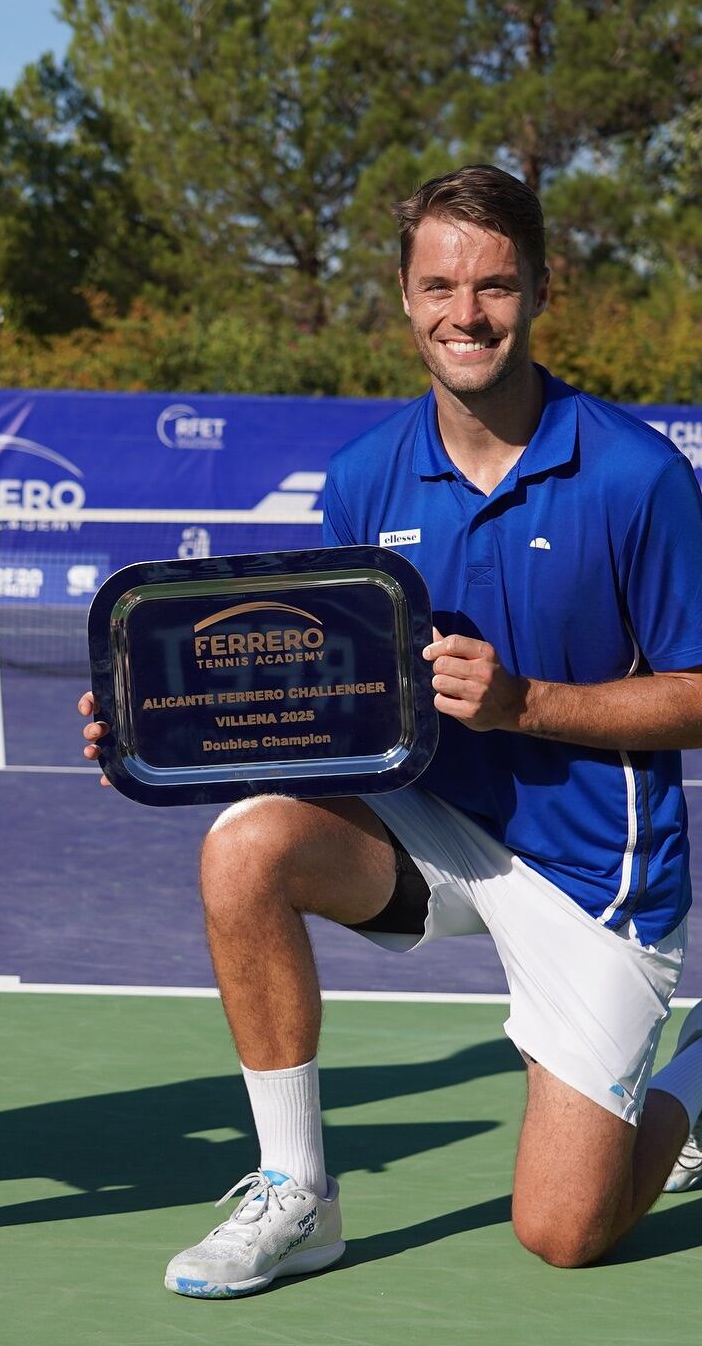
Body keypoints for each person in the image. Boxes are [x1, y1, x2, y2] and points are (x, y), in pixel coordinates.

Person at [80, 164, 702, 1295]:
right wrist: (158, 726)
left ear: (542, 289)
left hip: (593, 872)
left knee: (566, 1234)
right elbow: (330, 695)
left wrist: (525, 704)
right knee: (246, 846)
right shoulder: (365, 479)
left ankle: (694, 1082)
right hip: (430, 826)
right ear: (406, 297)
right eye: (441, 286)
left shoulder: (638, 474)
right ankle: (296, 1192)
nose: (469, 314)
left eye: (496, 285)